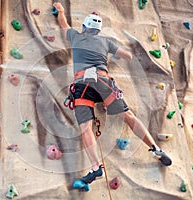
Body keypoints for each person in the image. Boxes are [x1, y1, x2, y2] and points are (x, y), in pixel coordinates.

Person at [53, 2, 172, 184]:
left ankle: (95, 167)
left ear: (84, 27)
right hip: (103, 81)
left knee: (86, 128)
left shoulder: (76, 37)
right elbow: (128, 56)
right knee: (129, 116)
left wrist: (61, 10)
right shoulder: (105, 41)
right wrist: (114, 54)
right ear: (98, 31)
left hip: (83, 84)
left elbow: (63, 25)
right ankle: (156, 149)